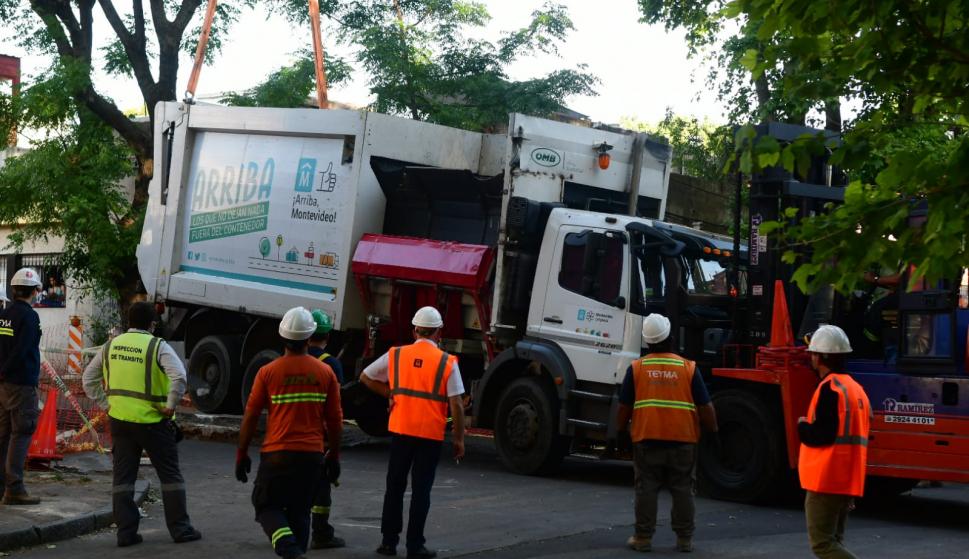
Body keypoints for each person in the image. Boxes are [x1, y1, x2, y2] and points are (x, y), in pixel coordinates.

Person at [82, 302, 201, 547]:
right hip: (153, 422)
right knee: (169, 476)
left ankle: (126, 533)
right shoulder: (158, 346)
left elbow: (88, 380)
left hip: (120, 421)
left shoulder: (110, 346)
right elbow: (179, 376)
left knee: (123, 478)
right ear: (152, 324)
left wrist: (107, 406)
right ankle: (180, 529)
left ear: (128, 322)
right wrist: (170, 404)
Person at [236, 307, 343, 559]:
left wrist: (242, 453)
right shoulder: (326, 372)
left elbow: (250, 416)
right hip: (312, 456)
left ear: (282, 337)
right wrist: (335, 455)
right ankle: (295, 550)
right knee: (300, 511)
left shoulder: (267, 372)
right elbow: (335, 419)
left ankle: (290, 551)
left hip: (276, 454)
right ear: (309, 338)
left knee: (265, 505)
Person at [360, 306, 466, 559]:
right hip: (429, 435)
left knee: (394, 487)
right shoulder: (446, 362)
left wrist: (390, 393)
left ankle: (388, 543)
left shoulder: (396, 355)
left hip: (401, 431)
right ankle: (414, 546)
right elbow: (457, 404)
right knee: (421, 491)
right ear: (439, 332)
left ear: (414, 330)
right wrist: (460, 439)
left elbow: (365, 377)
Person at [616, 313, 718, 553]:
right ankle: (684, 539)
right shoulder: (688, 368)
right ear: (671, 338)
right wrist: (714, 432)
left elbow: (623, 407)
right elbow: (706, 407)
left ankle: (643, 538)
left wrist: (619, 433)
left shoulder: (637, 368)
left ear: (648, 342)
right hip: (682, 440)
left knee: (646, 488)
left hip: (647, 438)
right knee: (682, 488)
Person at [797, 324, 872, 559]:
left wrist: (802, 426)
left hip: (826, 478)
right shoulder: (856, 389)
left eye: (812, 353)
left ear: (820, 357)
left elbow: (822, 435)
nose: (810, 358)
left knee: (823, 545)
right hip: (847, 478)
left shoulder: (830, 389)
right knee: (835, 540)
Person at [0, 268, 43, 505]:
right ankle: (14, 488)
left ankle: (2, 486)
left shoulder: (4, 314)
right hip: (21, 384)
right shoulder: (29, 317)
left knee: (4, 435)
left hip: (3, 385)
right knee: (21, 433)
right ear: (35, 290)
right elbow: (23, 350)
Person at [307, 309, 345, 549]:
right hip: (318, 436)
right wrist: (335, 447)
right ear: (327, 336)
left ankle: (285, 529)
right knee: (320, 485)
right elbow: (335, 410)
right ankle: (320, 533)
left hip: (289, 433)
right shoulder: (331, 364)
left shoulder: (286, 361)